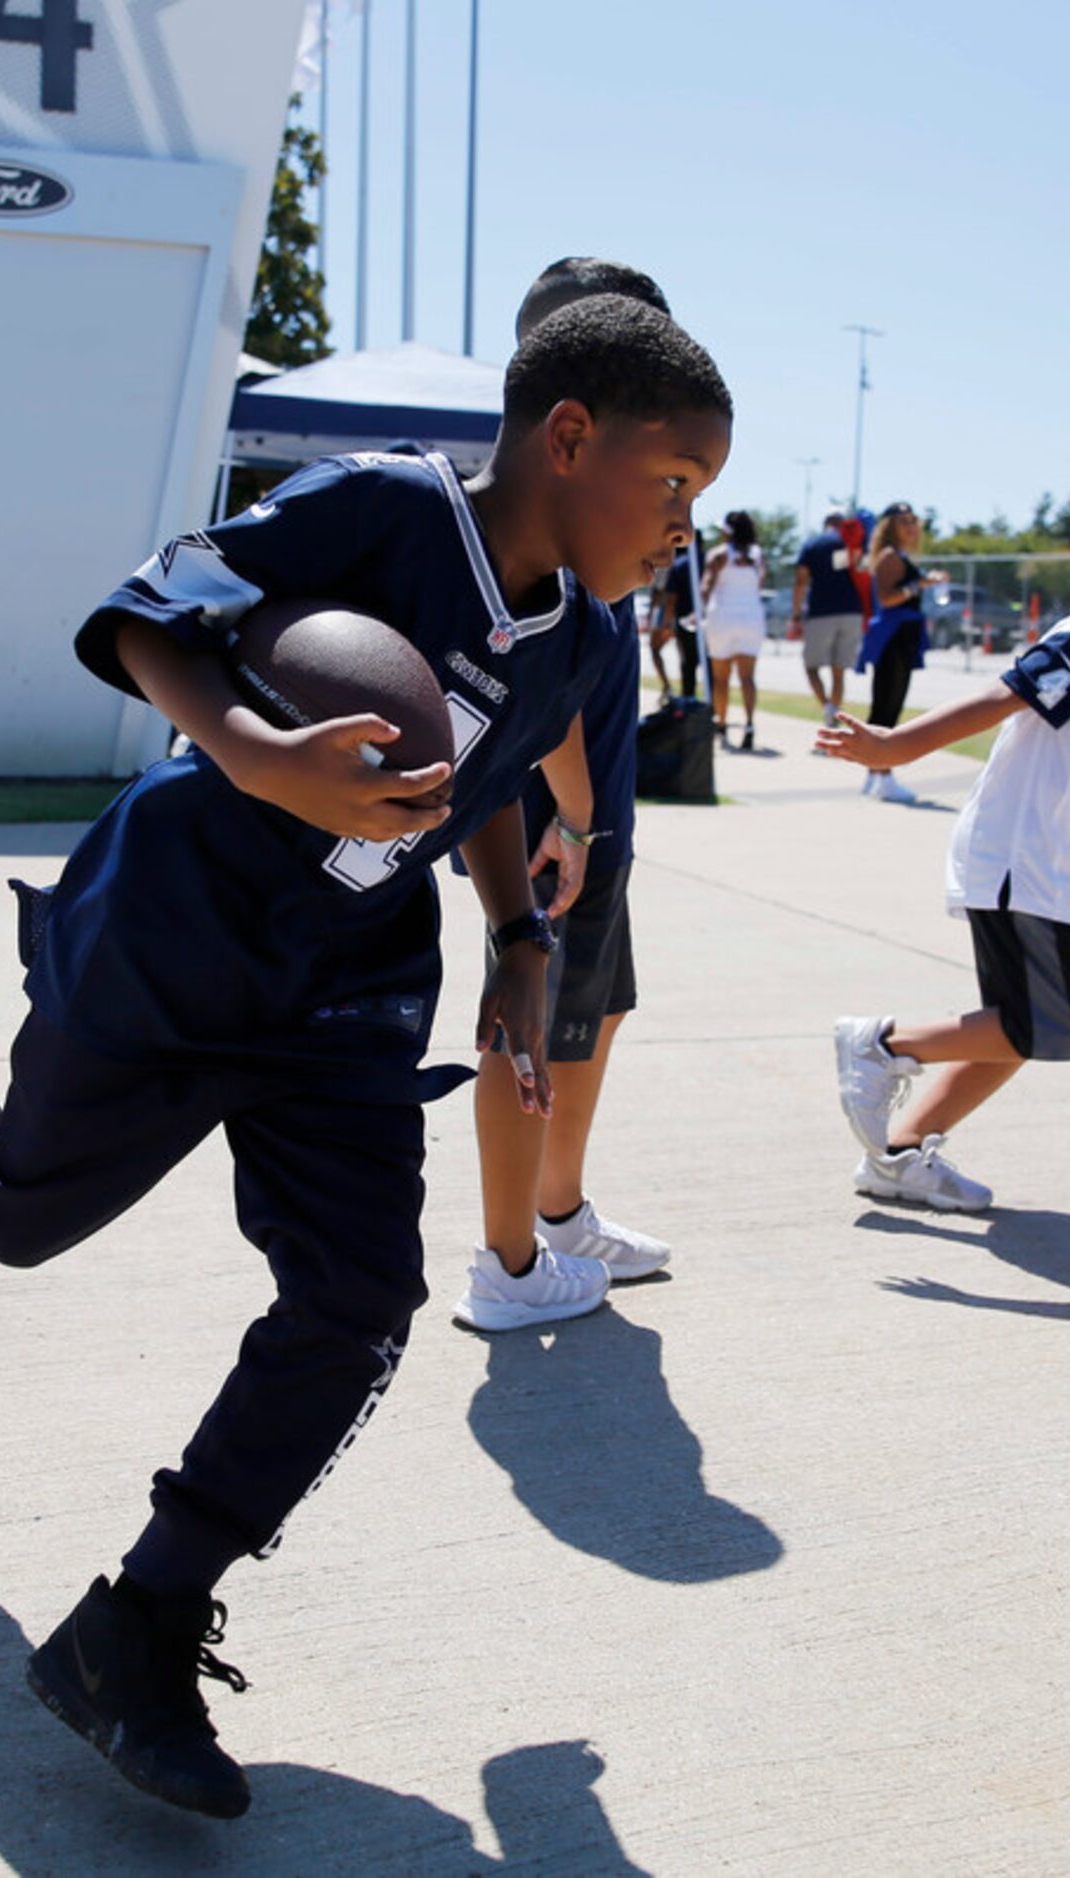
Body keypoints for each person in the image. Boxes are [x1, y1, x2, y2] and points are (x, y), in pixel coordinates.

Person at [0, 294, 733, 1817]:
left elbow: (503, 779)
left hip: (353, 993)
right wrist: (253, 751)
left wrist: (521, 945)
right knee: (29, 1217)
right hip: (175, 940)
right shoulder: (381, 505)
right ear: (569, 434)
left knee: (359, 1295)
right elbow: (145, 614)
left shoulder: (586, 645)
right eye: (671, 485)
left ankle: (141, 1618)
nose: (681, 528)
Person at [820, 484, 1070, 1211]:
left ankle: (900, 1153)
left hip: (1056, 874)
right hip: (1025, 863)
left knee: (1021, 1025)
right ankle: (882, 1043)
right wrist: (893, 746)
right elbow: (1008, 694)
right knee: (1057, 1024)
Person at [461, 260, 687, 1336]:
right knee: (530, 1016)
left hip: (593, 816)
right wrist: (578, 822)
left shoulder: (601, 504)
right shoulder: (542, 511)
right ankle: (510, 1260)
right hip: (554, 824)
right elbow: (533, 710)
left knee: (594, 1015)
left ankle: (557, 1216)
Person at [853, 500, 941, 803]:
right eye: (905, 520)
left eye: (914, 520)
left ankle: (876, 774)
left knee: (889, 704)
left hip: (902, 635)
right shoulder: (890, 556)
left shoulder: (897, 555)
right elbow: (887, 598)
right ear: (890, 525)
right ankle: (882, 774)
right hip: (892, 635)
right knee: (887, 705)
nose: (912, 526)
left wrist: (921, 583)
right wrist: (919, 584)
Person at [700, 509, 768, 750]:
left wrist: (698, 610)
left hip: (723, 617)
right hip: (751, 617)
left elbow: (706, 585)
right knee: (747, 677)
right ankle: (749, 724)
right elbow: (759, 583)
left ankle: (722, 723)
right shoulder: (758, 556)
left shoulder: (719, 555)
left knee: (721, 678)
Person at [791, 508, 866, 723]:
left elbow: (801, 581)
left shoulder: (813, 544)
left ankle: (828, 708)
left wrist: (796, 615)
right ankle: (833, 711)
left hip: (821, 613)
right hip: (852, 612)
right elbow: (864, 572)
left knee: (811, 666)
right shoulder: (853, 544)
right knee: (838, 671)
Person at [653, 541, 700, 700]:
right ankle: (680, 692)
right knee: (685, 657)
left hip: (666, 611)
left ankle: (668, 687)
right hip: (683, 614)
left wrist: (663, 619)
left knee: (656, 650)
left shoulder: (668, 563)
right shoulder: (695, 563)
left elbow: (661, 594)